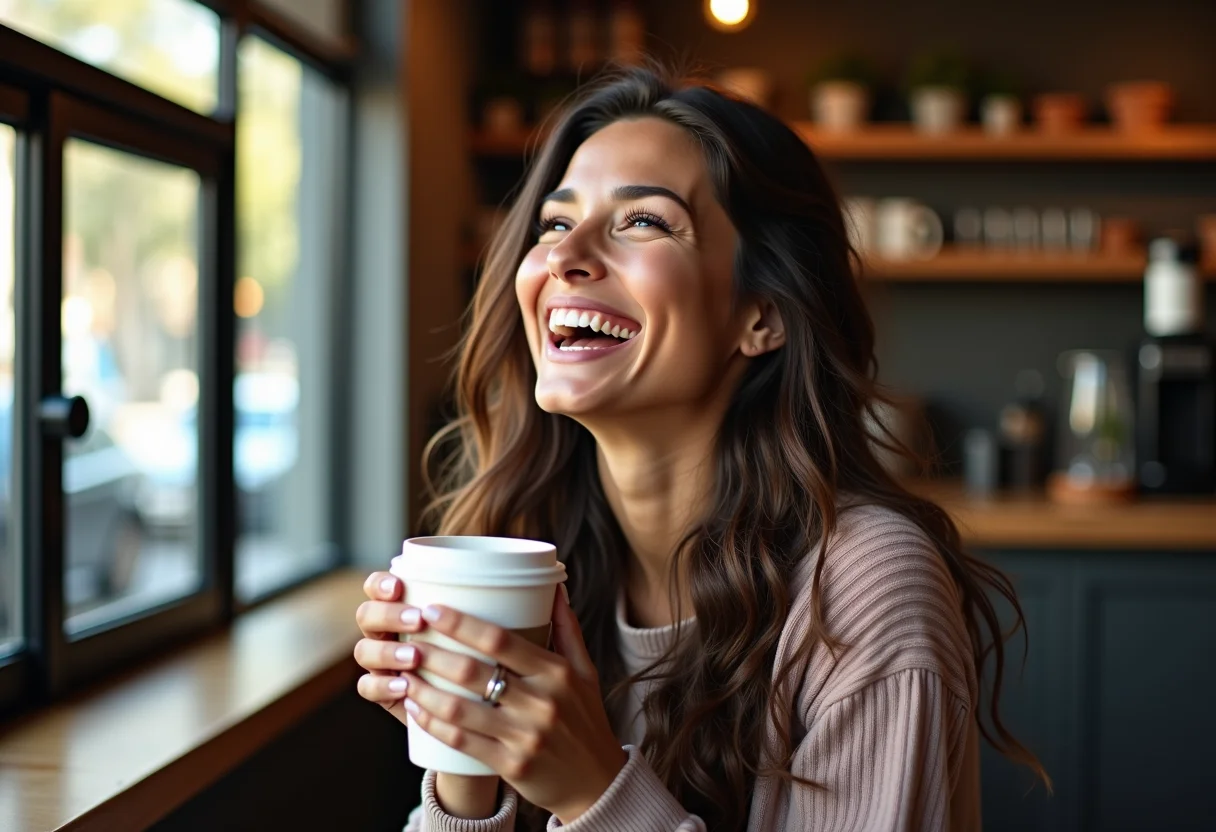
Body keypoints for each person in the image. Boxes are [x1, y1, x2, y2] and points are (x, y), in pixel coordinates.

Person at [354, 66, 1046, 831]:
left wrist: (592, 791)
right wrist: (467, 763)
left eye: (643, 221)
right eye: (554, 224)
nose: (564, 257)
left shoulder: (865, 591)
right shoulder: (539, 546)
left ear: (761, 314)